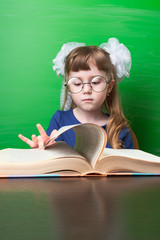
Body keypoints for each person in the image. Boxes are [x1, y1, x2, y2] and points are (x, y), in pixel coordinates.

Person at [19, 38, 134, 149]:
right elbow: (49, 158)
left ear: (109, 87)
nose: (86, 90)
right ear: (69, 87)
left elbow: (131, 167)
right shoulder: (59, 120)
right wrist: (41, 150)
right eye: (77, 83)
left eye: (95, 82)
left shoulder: (119, 128)